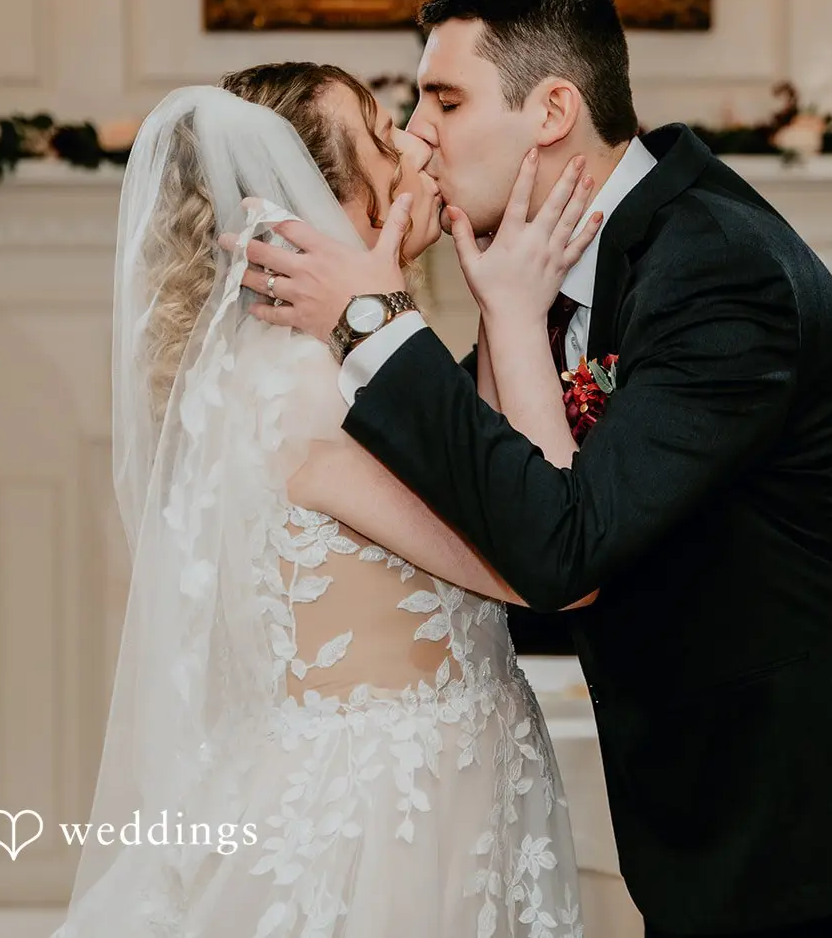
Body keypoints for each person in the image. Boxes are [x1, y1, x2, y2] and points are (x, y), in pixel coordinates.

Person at [223, 0, 832, 938]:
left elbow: (561, 546)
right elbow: (485, 490)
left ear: (550, 110)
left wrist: (373, 317)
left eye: (443, 100)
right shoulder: (546, 265)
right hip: (704, 835)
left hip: (826, 842)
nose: (419, 133)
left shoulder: (716, 269)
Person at [53, 67, 601, 938]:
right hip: (384, 819)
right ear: (308, 201)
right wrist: (513, 307)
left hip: (457, 779)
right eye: (385, 139)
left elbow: (504, 473)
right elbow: (546, 562)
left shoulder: (361, 360)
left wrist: (496, 302)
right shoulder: (308, 385)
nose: (417, 149)